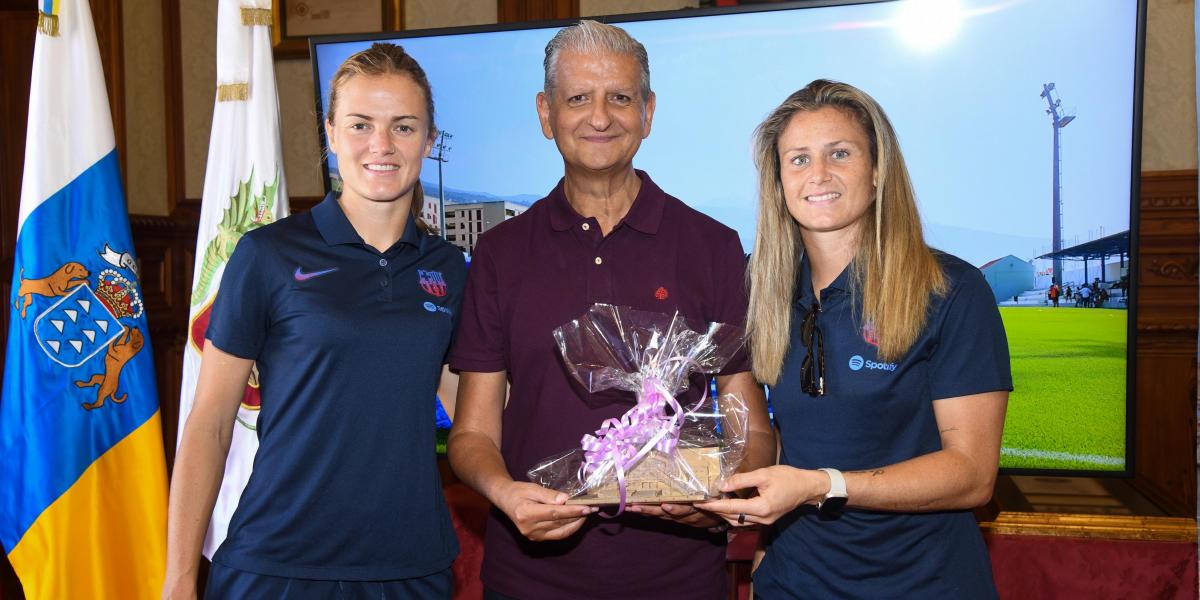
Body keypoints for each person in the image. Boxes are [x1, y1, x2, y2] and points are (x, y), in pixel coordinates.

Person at [446, 20, 774, 600]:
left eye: (620, 97)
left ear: (648, 113)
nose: (600, 117)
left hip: (679, 578)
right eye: (578, 98)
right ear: (546, 115)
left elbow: (750, 423)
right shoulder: (500, 253)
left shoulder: (713, 246)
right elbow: (473, 433)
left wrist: (716, 498)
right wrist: (504, 493)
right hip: (530, 577)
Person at [164, 43, 465, 599]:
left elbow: (475, 415)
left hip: (412, 569)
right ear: (329, 133)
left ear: (428, 138)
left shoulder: (449, 270)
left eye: (403, 127)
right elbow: (208, 424)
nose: (381, 145)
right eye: (360, 125)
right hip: (277, 566)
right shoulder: (267, 255)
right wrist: (180, 579)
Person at [698, 80, 1011, 598]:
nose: (817, 174)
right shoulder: (760, 290)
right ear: (778, 181)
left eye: (839, 153)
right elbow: (773, 440)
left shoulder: (950, 290)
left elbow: (972, 474)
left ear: (877, 170)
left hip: (922, 582)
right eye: (798, 159)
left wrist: (824, 485)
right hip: (793, 580)